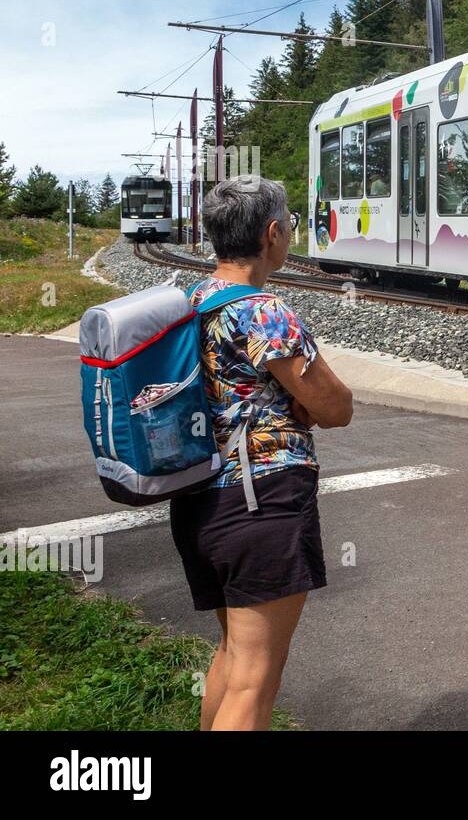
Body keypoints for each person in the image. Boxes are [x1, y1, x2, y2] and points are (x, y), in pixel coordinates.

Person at [174, 176, 354, 730]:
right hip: (260, 503)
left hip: (197, 501)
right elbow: (337, 406)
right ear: (272, 233)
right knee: (256, 682)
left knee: (232, 658)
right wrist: (304, 406)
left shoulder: (188, 304)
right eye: (290, 226)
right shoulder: (265, 312)